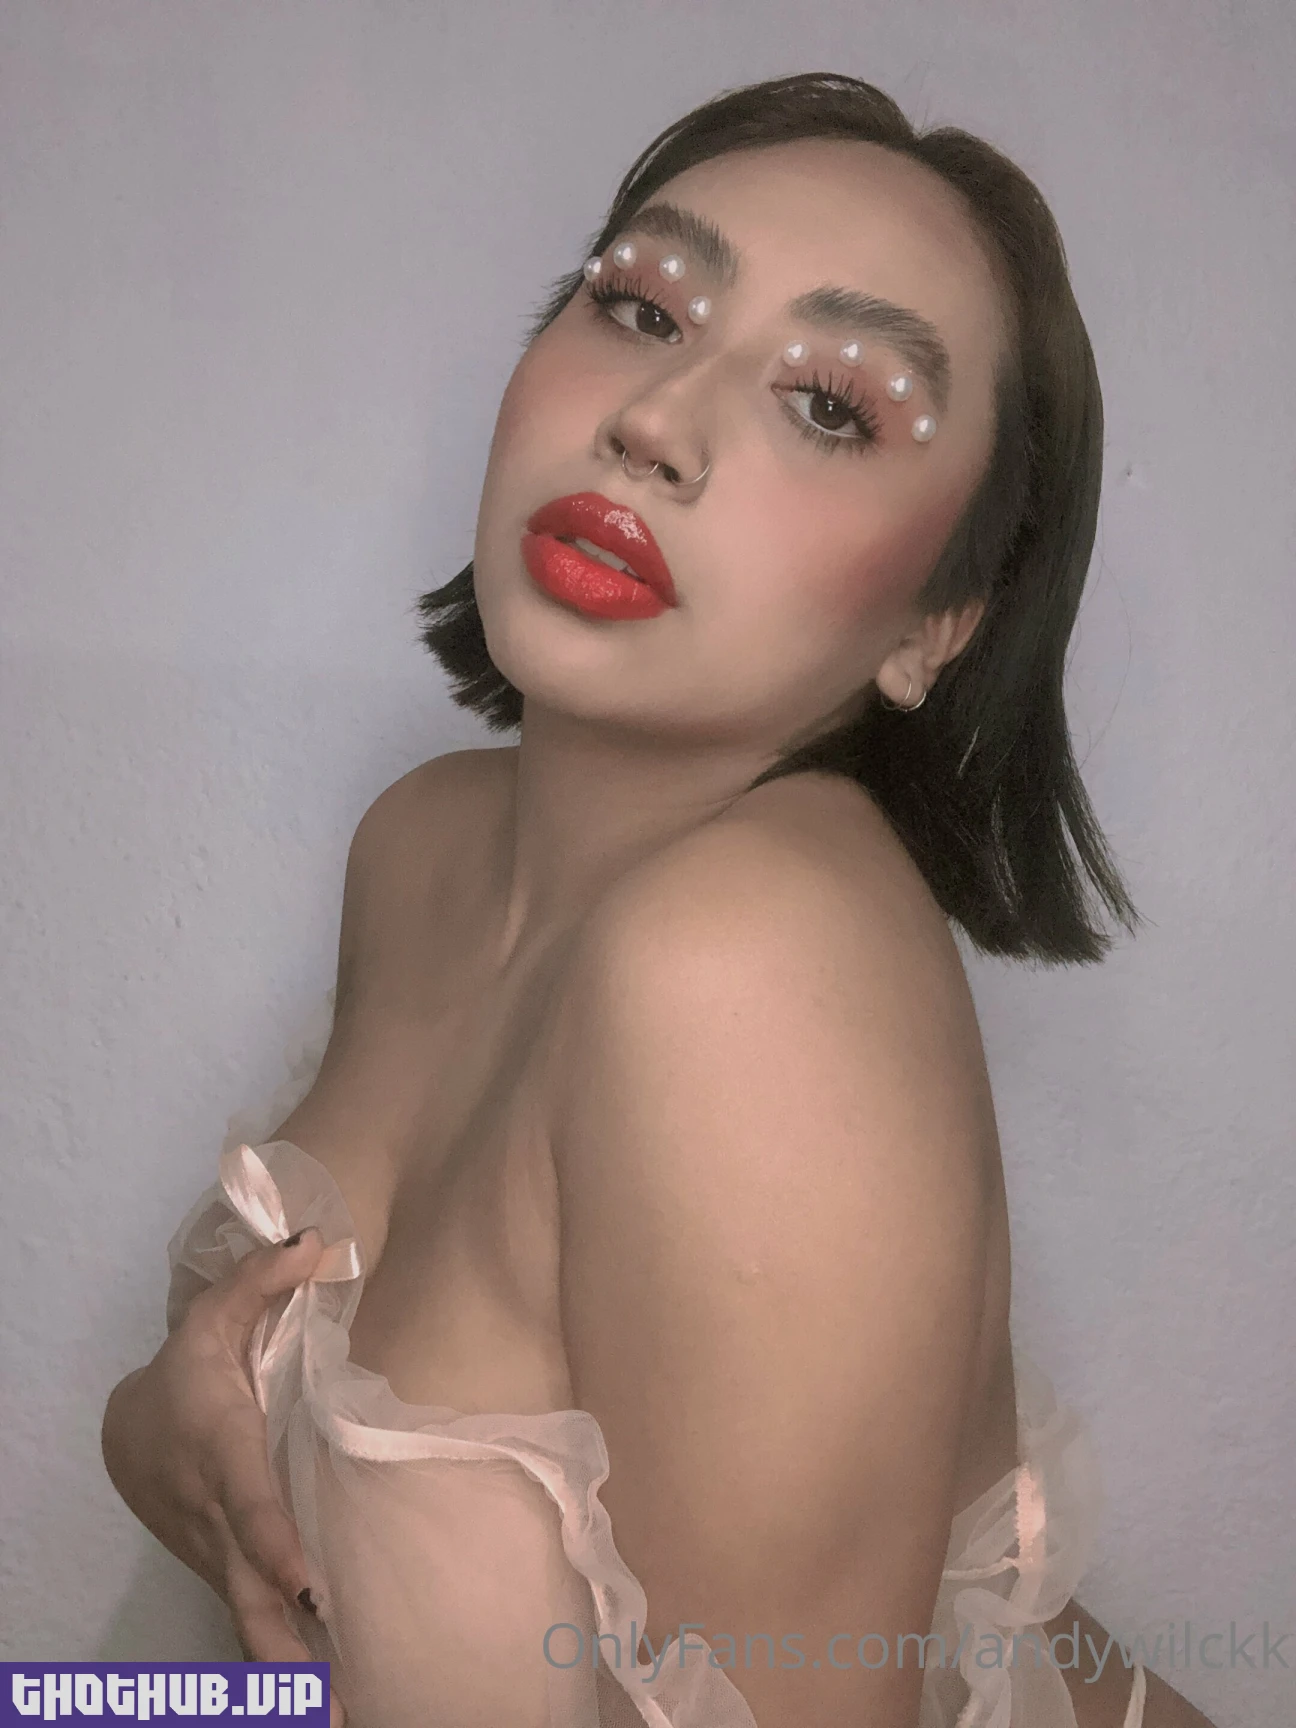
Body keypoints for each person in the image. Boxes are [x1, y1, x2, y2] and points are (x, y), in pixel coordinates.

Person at [100, 71, 1219, 1728]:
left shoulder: (749, 970)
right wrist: (147, 1443)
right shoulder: (424, 845)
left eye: (831, 405)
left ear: (938, 622)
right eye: (640, 307)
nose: (654, 420)